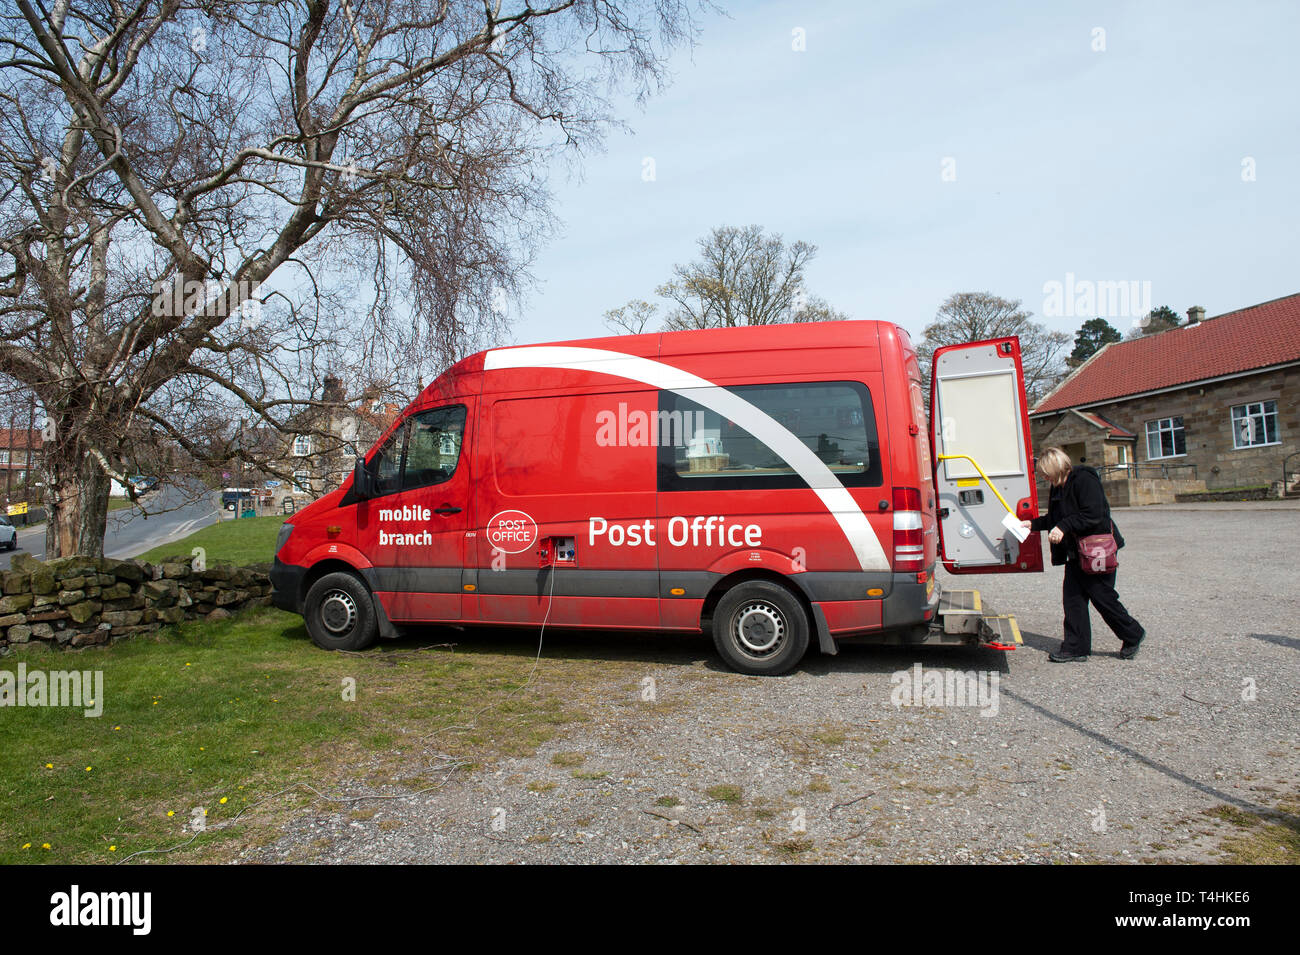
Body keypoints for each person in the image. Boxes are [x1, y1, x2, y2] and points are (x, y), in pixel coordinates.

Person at [1022, 447, 1145, 662]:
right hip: (1076, 553)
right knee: (1073, 600)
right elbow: (1054, 518)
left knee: (1103, 598)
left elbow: (1093, 514)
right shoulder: (1058, 487)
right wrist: (1031, 524)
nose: (1043, 477)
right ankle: (1075, 647)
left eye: (1045, 473)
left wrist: (1063, 527)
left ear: (1055, 468)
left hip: (1096, 550)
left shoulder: (1084, 479)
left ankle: (1133, 634)